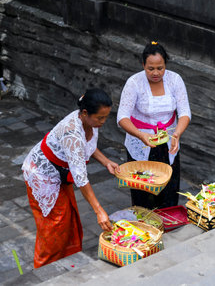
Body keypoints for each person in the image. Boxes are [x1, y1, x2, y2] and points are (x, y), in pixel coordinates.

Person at [22, 88, 120, 268]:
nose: (103, 122)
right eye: (100, 118)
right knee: (54, 223)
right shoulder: (72, 133)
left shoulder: (89, 122)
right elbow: (81, 178)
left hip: (61, 171)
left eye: (106, 117)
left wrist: (106, 161)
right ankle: (43, 267)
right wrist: (99, 211)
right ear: (84, 113)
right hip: (42, 174)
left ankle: (66, 259)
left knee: (69, 216)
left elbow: (88, 145)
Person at [117, 41, 191, 209]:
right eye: (151, 68)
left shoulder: (175, 80)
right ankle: (145, 226)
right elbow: (122, 117)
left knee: (169, 187)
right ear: (143, 65)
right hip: (141, 143)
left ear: (165, 65)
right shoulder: (134, 83)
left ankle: (167, 222)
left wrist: (177, 133)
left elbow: (185, 112)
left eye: (160, 68)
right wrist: (141, 135)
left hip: (168, 142)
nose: (156, 73)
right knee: (143, 191)